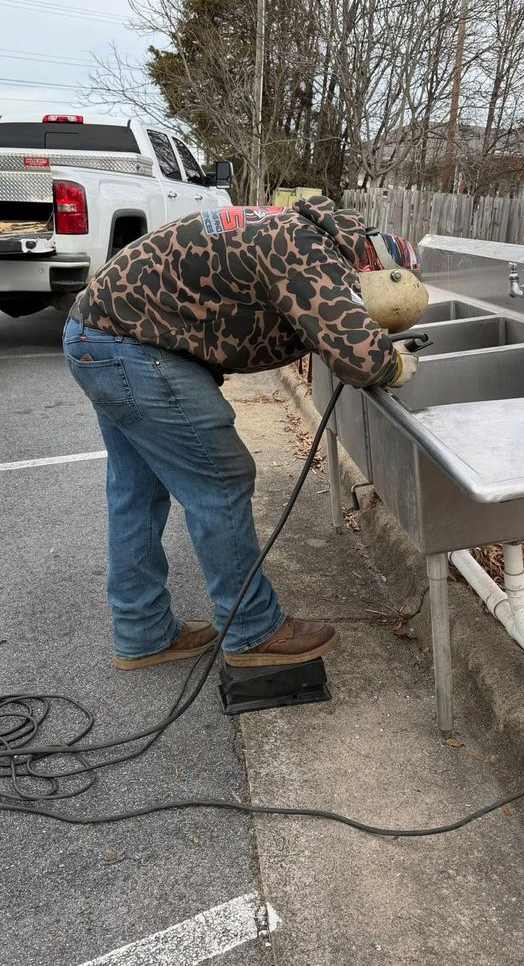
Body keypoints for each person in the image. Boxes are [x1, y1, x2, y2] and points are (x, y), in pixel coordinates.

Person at [63, 196, 422, 672]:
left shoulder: (294, 229)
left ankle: (142, 631)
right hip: (135, 349)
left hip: (97, 334)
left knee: (137, 492)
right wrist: (395, 363)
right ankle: (252, 630)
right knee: (221, 479)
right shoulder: (308, 250)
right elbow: (360, 357)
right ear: (376, 265)